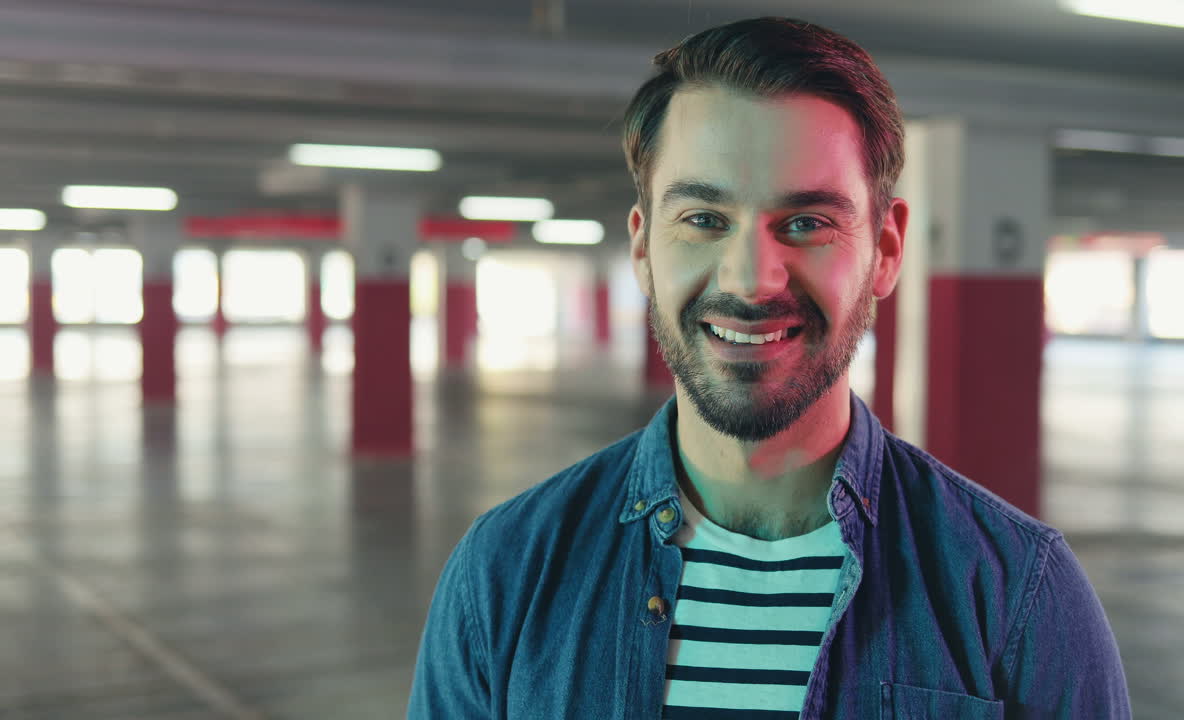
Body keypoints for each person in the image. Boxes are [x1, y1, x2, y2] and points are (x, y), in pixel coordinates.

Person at [408, 16, 1130, 719]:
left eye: (808, 223)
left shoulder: (1017, 591)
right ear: (643, 249)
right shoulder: (504, 573)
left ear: (885, 250)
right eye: (703, 219)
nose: (752, 280)